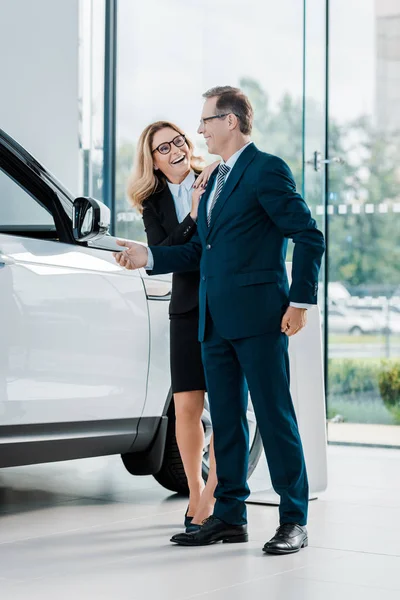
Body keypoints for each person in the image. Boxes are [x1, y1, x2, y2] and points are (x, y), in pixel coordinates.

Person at [114, 86, 325, 555]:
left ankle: (294, 519)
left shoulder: (266, 169)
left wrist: (299, 302)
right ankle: (230, 515)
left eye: (206, 120)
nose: (200, 129)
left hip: (258, 317)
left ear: (230, 121)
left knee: (274, 419)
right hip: (211, 320)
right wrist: (148, 255)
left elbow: (309, 236)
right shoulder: (211, 180)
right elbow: (197, 250)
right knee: (227, 423)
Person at [127, 121, 219, 530]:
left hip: (221, 303)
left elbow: (184, 254)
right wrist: (194, 217)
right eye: (163, 148)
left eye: (178, 140)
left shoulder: (216, 178)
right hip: (184, 308)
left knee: (226, 406)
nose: (175, 149)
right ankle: (196, 493)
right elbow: (164, 253)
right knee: (186, 406)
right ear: (154, 161)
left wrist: (169, 252)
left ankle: (215, 493)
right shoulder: (152, 201)